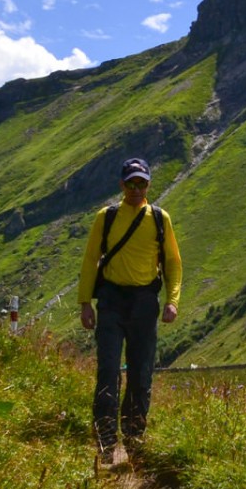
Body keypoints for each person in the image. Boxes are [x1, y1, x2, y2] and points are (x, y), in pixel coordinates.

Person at [78, 157, 182, 464]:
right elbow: (89, 261)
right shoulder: (106, 217)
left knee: (141, 373)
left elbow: (173, 263)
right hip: (110, 300)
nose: (136, 189)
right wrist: (86, 303)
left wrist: (172, 300)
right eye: (131, 183)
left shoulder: (160, 219)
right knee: (108, 370)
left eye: (142, 183)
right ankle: (106, 441)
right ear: (121, 185)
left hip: (144, 302)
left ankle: (134, 440)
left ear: (149, 184)